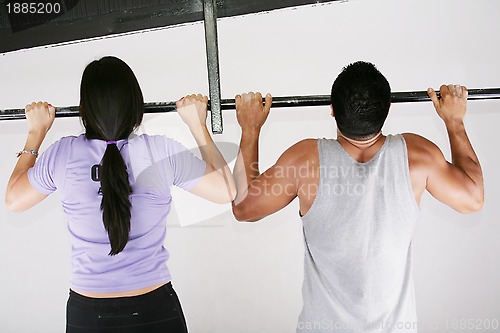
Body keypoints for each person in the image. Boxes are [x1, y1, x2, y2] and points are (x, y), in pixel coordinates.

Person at [231, 61, 484, 332]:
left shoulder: (304, 161)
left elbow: (244, 207)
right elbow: (473, 198)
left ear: (331, 110)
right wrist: (454, 122)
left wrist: (250, 128)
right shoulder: (417, 156)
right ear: (387, 109)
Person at [5, 56, 236, 332]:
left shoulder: (64, 154)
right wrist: (198, 125)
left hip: (88, 315)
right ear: (136, 106)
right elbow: (226, 190)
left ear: (84, 111)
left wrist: (35, 133)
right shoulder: (159, 151)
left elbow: (13, 200)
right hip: (155, 309)